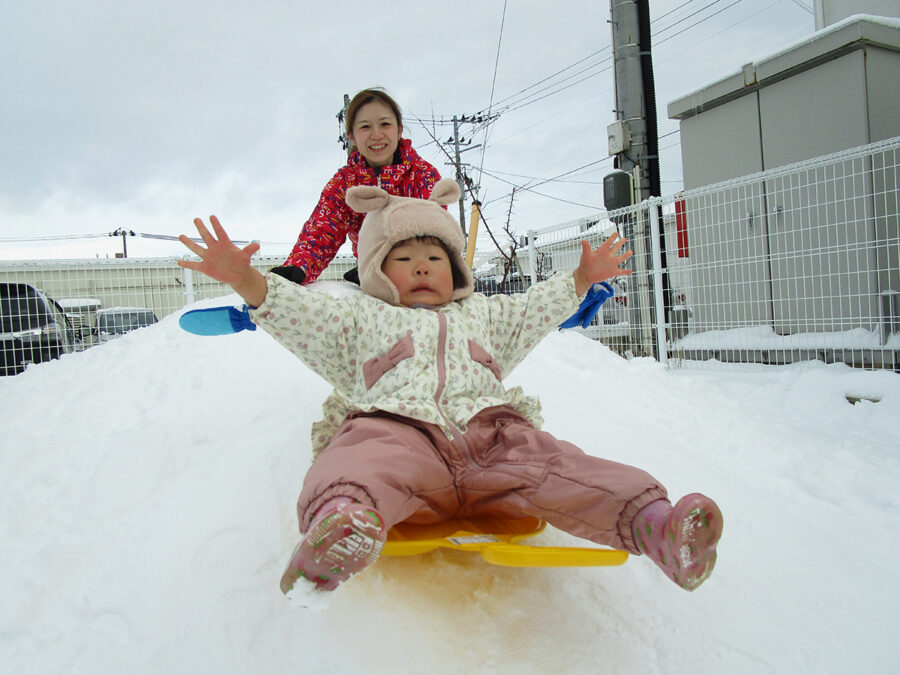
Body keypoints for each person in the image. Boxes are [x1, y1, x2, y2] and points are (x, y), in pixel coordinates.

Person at [178, 178, 723, 596]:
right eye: (404, 259)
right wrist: (247, 281)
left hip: (495, 440)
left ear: (457, 270)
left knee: (561, 466)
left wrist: (580, 280)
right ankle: (343, 527)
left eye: (435, 259)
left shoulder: (483, 315)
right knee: (361, 459)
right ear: (376, 271)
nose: (421, 268)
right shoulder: (362, 319)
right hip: (400, 432)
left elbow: (532, 308)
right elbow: (303, 314)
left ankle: (658, 527)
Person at [272, 87, 441, 286]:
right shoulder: (345, 183)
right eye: (365, 127)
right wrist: (298, 266)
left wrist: (392, 266)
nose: (377, 134)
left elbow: (433, 233)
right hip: (370, 281)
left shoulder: (422, 175)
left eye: (385, 124)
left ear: (399, 130)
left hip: (421, 276)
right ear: (351, 136)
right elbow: (323, 229)